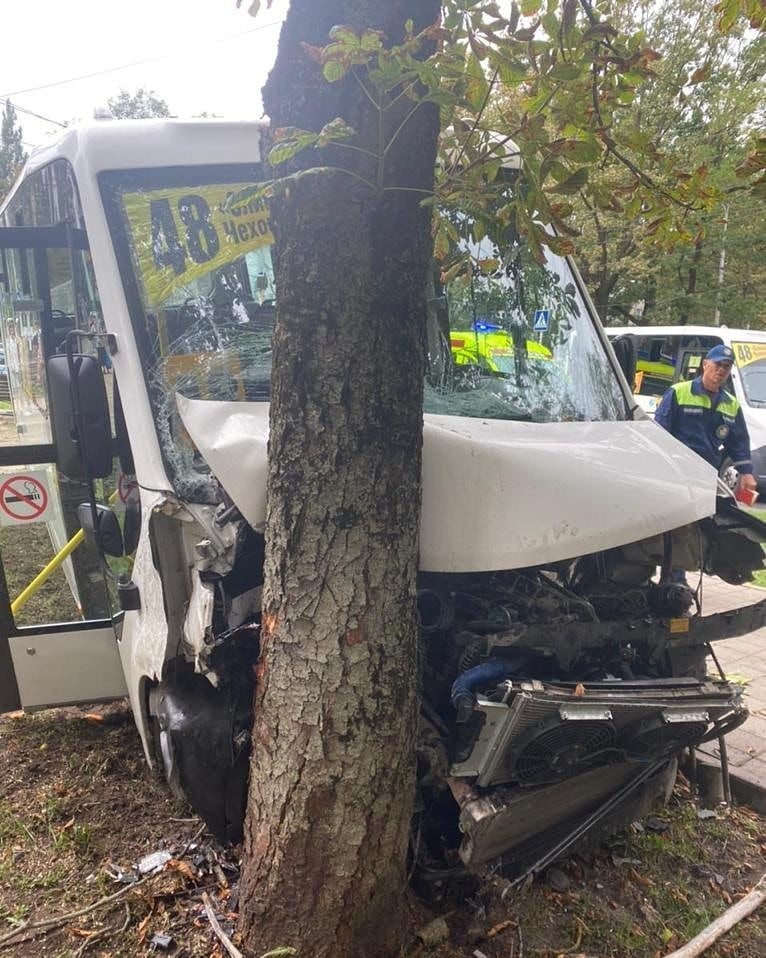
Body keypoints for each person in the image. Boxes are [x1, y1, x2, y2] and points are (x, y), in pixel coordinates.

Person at [655, 344, 757, 496]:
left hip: (707, 472)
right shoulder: (678, 392)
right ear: (705, 364)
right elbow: (659, 432)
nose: (721, 370)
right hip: (676, 470)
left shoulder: (731, 404)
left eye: (727, 366)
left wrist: (746, 472)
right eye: (718, 364)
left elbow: (738, 442)